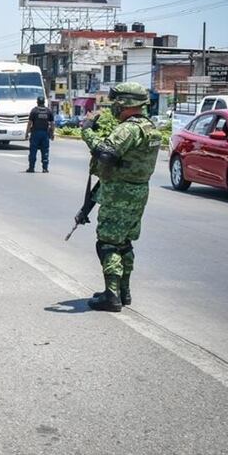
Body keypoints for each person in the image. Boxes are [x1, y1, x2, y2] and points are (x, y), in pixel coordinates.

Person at [81, 82, 162, 312]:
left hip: (119, 193)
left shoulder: (129, 129)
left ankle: (111, 296)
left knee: (108, 244)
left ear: (126, 104)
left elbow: (107, 153)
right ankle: (123, 292)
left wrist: (87, 131)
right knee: (124, 243)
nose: (114, 108)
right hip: (138, 192)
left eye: (116, 103)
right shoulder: (150, 127)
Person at [25, 96, 55, 172]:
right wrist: (52, 134)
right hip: (45, 134)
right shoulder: (48, 111)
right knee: (45, 151)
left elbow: (29, 123)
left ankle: (31, 168)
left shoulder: (34, 111)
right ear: (44, 102)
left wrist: (27, 133)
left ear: (37, 102)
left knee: (33, 151)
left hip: (35, 134)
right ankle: (45, 168)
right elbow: (52, 124)